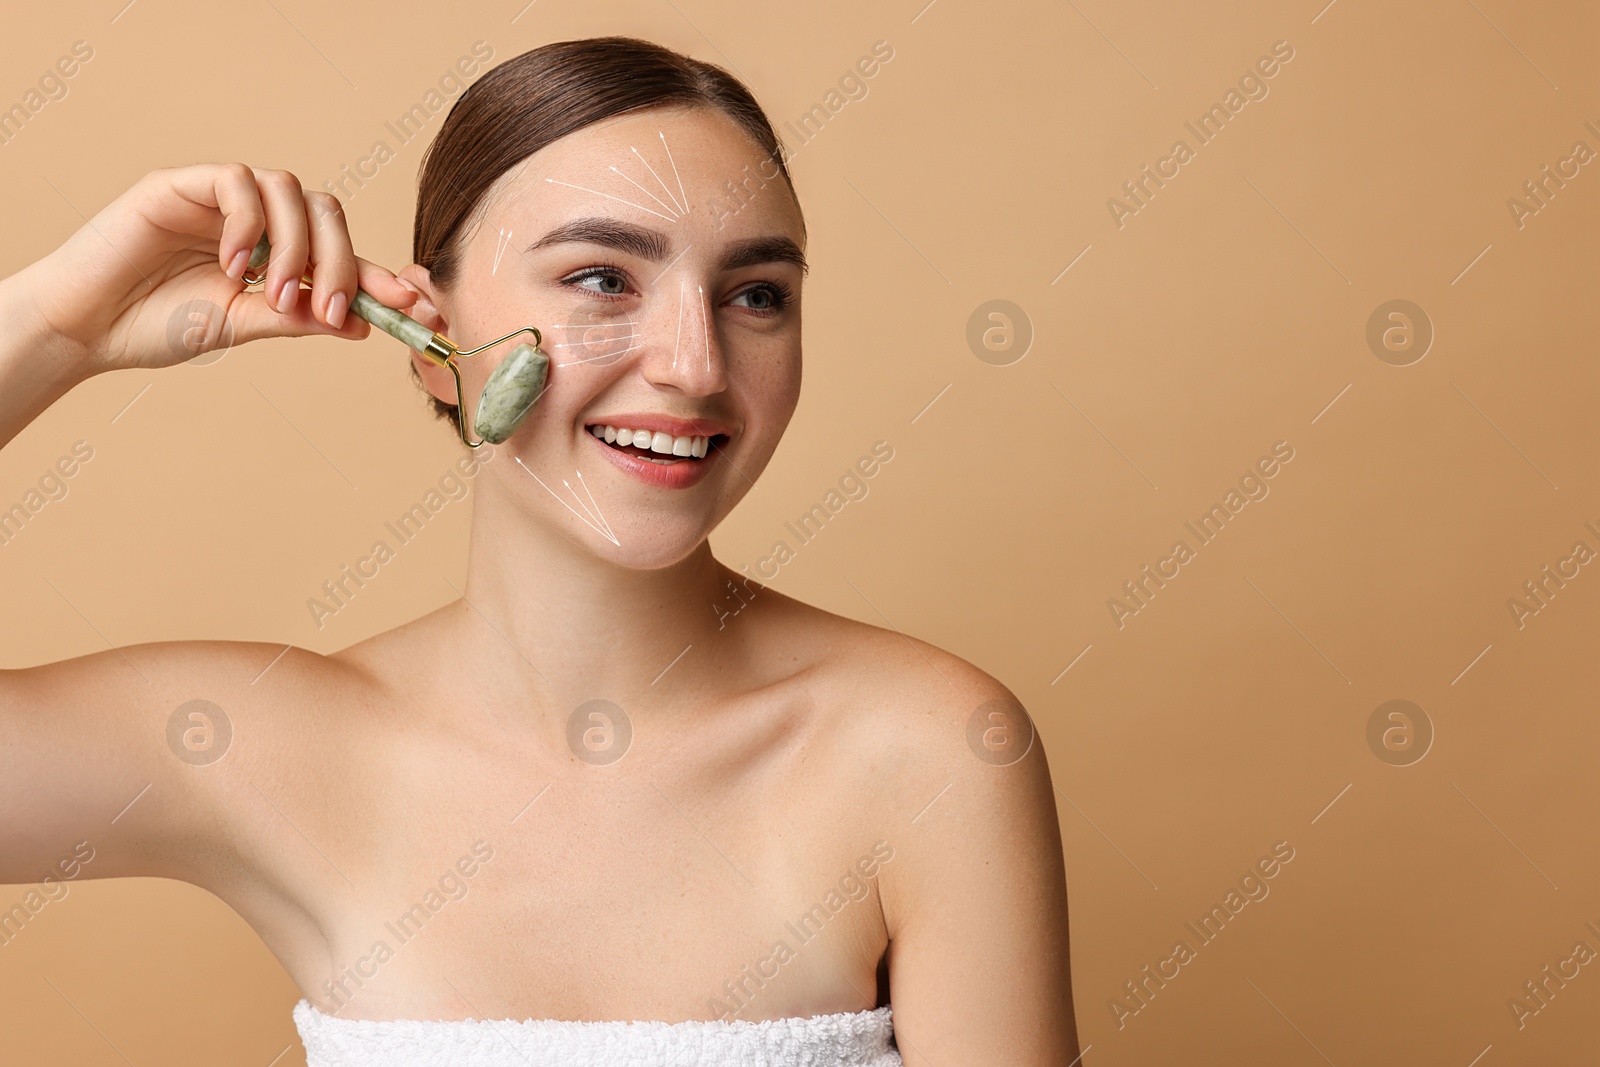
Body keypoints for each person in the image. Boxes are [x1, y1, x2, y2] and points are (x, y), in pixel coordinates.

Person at [0, 36, 1078, 1066]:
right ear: (430, 341)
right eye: (603, 278)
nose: (694, 365)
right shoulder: (262, 746)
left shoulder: (926, 751)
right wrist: (56, 323)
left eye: (755, 294)